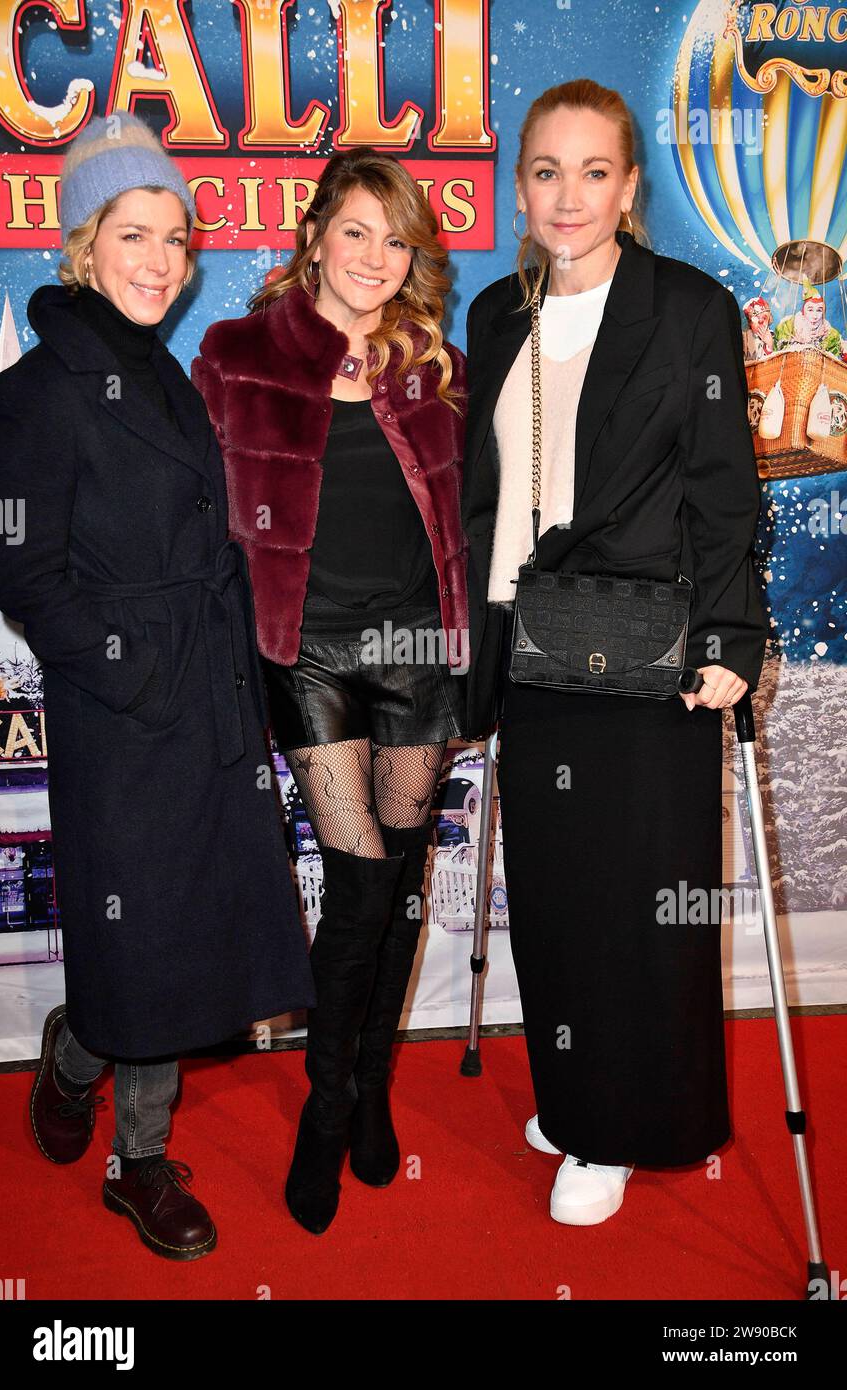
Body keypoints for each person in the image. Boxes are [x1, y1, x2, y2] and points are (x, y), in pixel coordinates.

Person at [0, 112, 315, 1260]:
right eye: (136, 235)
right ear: (83, 243)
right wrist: (134, 669)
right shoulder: (30, 397)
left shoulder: (167, 373)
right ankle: (140, 1162)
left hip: (209, 702)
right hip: (124, 718)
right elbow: (23, 573)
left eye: (177, 236)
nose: (162, 261)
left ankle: (76, 1048)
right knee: (150, 944)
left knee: (189, 948)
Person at [462, 80, 768, 1226]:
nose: (569, 193)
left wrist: (733, 638)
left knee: (643, 904)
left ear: (630, 187)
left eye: (596, 171)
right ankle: (573, 1084)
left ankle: (627, 1124)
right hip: (530, 647)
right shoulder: (498, 312)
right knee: (552, 895)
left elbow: (726, 492)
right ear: (523, 183)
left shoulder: (688, 309)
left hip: (650, 658)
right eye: (547, 169)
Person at [192, 148, 468, 1234]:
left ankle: (372, 1090)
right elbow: (201, 522)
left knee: (396, 883)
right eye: (355, 231)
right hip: (306, 655)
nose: (373, 256)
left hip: (416, 654)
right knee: (358, 887)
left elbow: (469, 520)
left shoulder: (430, 365)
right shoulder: (237, 354)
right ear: (314, 235)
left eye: (394, 239)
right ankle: (324, 1106)